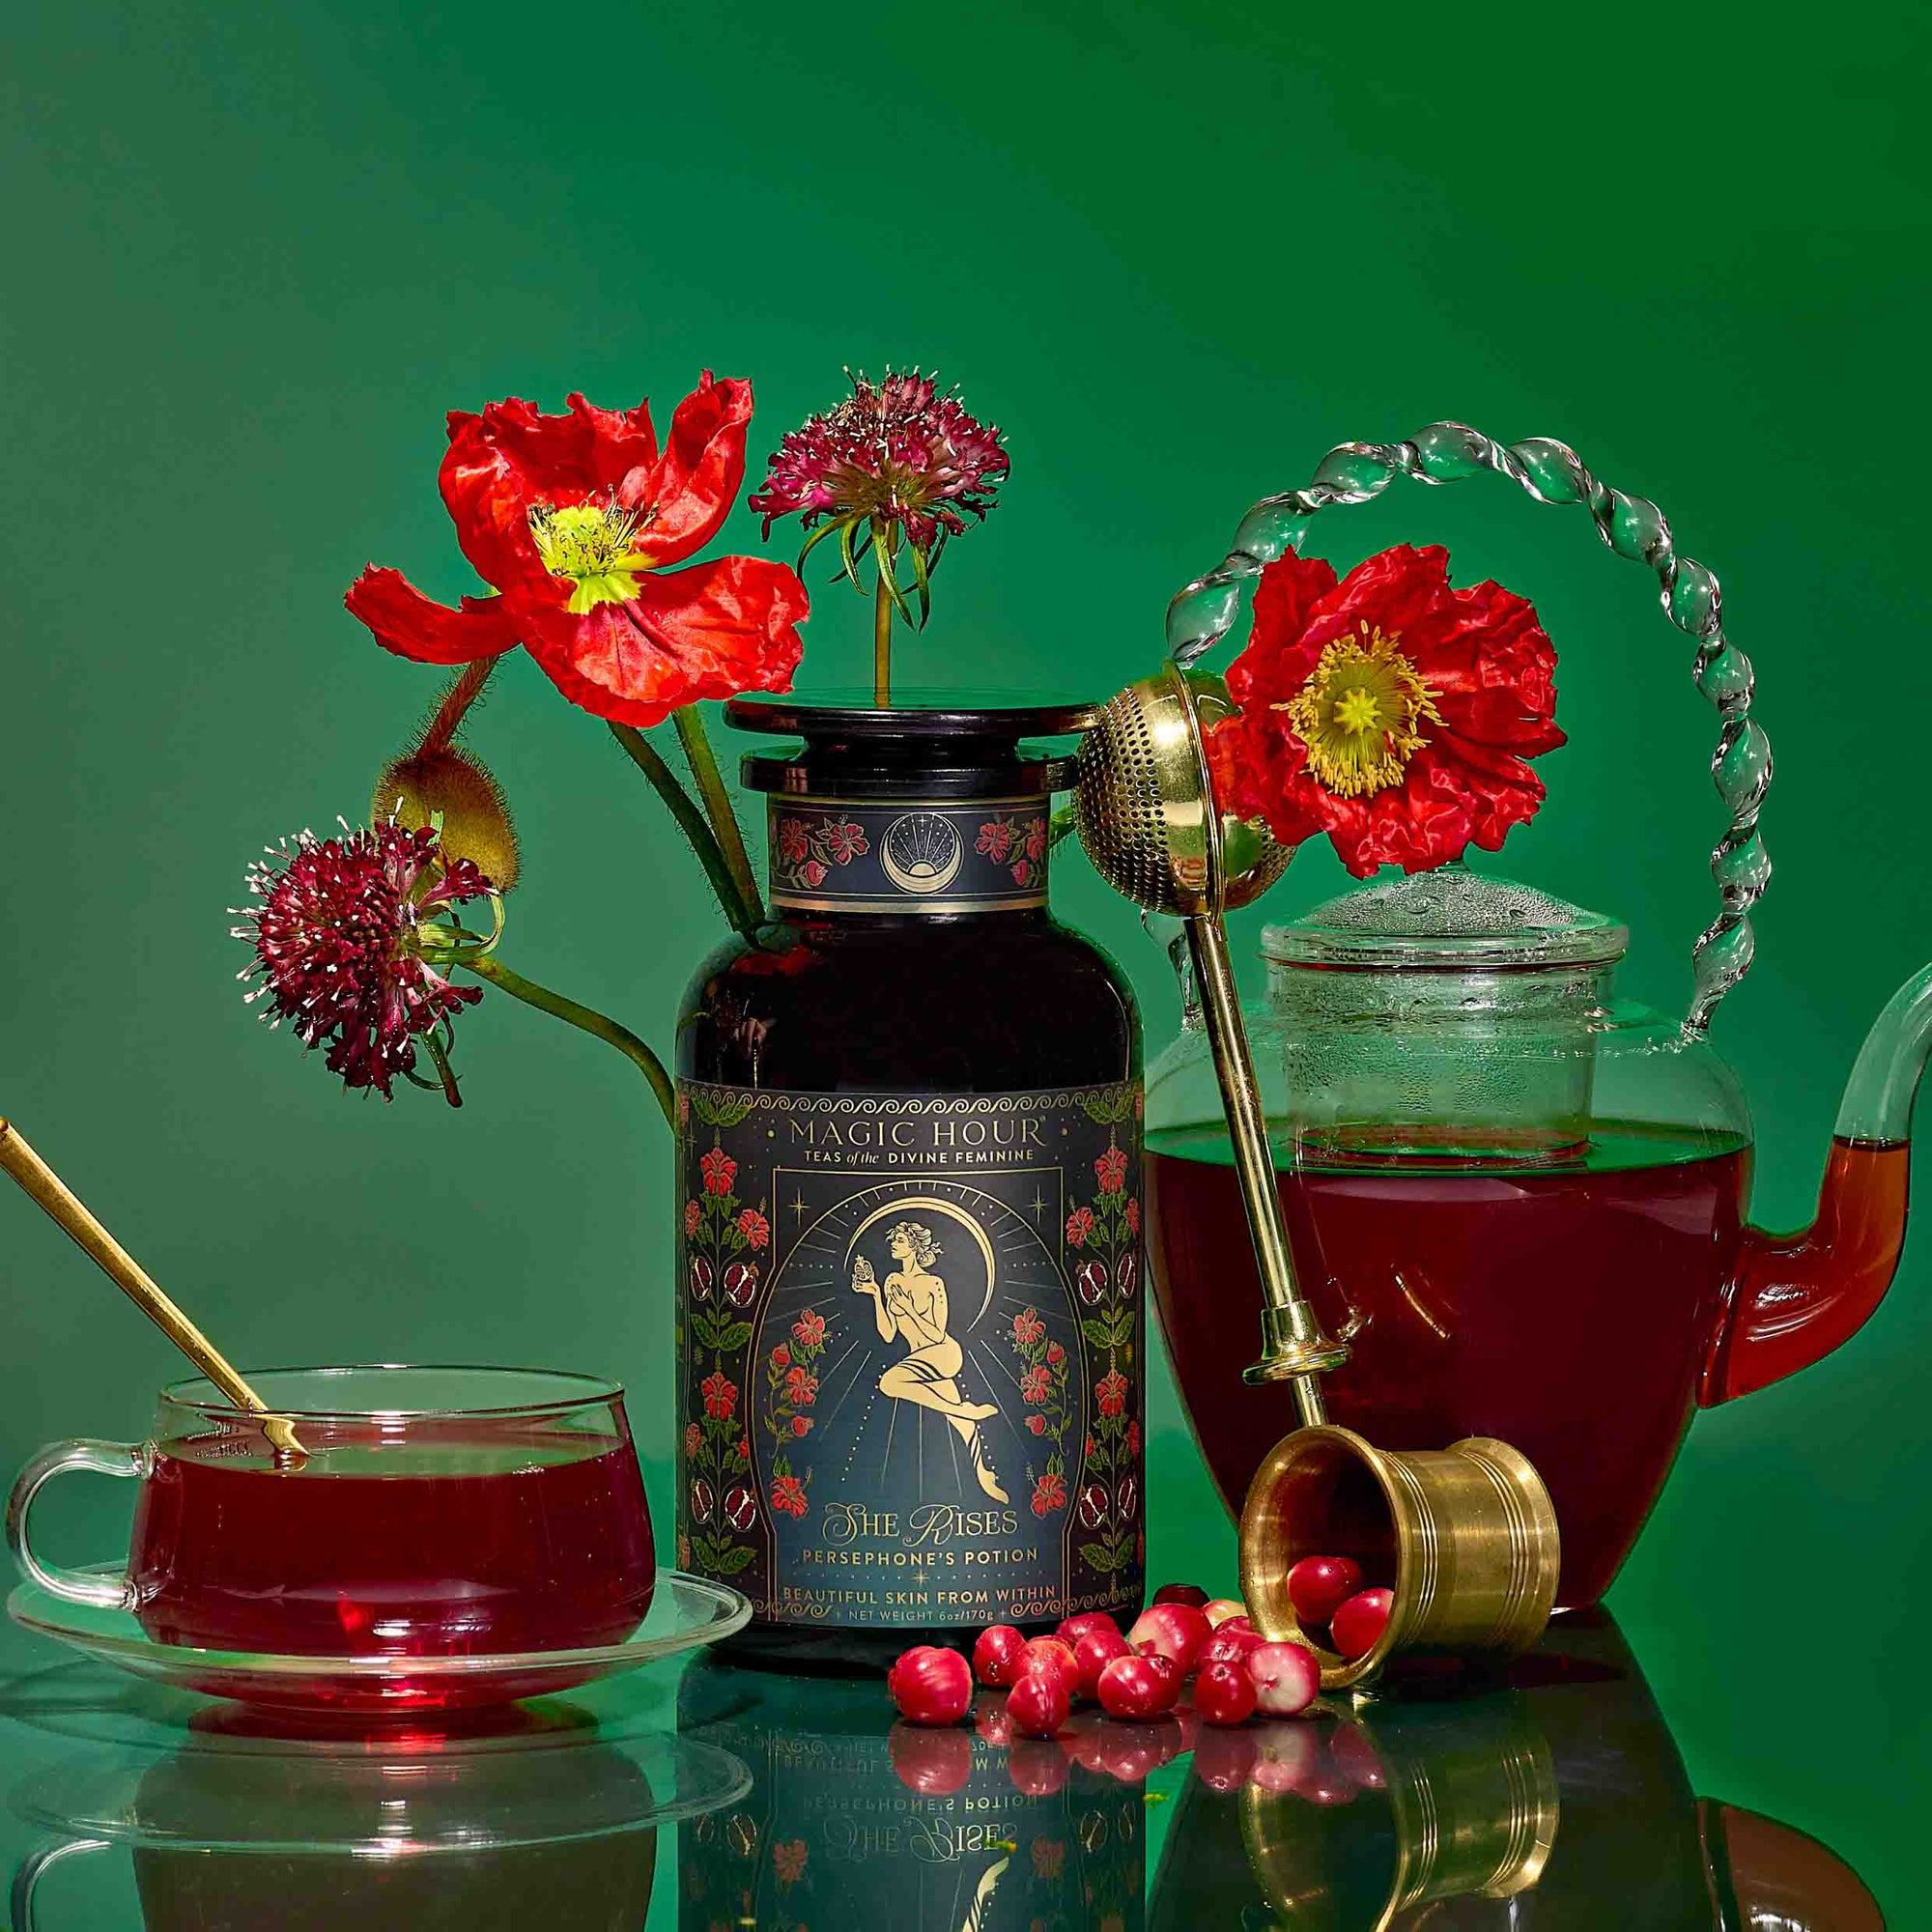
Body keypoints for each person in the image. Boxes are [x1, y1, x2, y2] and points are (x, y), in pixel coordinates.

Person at [852, 1221, 1008, 1503]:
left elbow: (937, 1333)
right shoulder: (891, 1282)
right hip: (920, 1360)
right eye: (893, 1240)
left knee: (889, 1381)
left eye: (899, 1240)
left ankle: (963, 1410)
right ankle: (984, 1475)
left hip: (944, 1353)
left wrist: (909, 1309)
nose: (893, 1244)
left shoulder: (934, 1283)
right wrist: (876, 1294)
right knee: (962, 1422)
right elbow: (888, 1334)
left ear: (914, 1246)